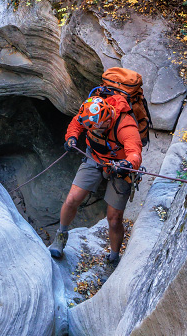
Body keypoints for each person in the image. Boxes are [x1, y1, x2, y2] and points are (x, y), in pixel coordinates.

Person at [48, 95, 143, 264]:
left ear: (107, 122)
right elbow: (77, 123)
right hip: (95, 158)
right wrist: (71, 137)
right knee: (71, 199)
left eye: (96, 130)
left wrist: (126, 164)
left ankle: (113, 256)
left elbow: (134, 153)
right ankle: (60, 238)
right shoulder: (90, 114)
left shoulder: (125, 126)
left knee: (114, 219)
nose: (93, 132)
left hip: (120, 168)